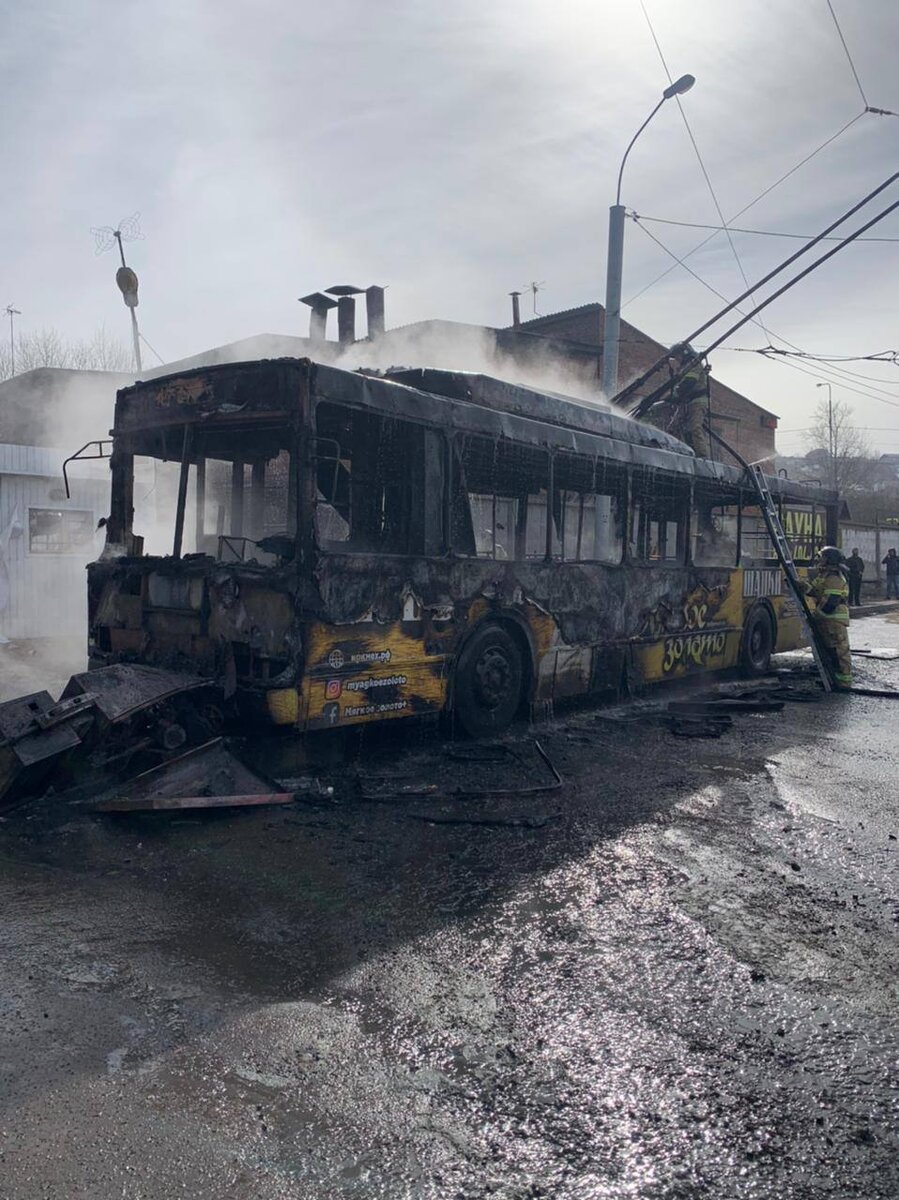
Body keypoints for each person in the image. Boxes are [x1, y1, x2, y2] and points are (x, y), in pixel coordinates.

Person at [800, 546, 851, 690]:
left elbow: (830, 603)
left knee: (838, 653)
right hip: (827, 621)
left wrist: (816, 617)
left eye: (823, 557)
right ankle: (831, 680)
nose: (820, 560)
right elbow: (816, 591)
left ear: (830, 559)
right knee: (828, 652)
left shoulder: (834, 577)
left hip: (833, 621)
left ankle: (843, 683)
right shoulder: (825, 575)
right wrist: (803, 587)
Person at [667, 343, 712, 458]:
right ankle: (679, 451)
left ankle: (702, 456)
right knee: (673, 428)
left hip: (698, 401)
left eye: (677, 355)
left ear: (684, 353)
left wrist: (675, 396)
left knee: (695, 427)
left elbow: (689, 383)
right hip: (686, 402)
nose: (676, 359)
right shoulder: (684, 368)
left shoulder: (694, 365)